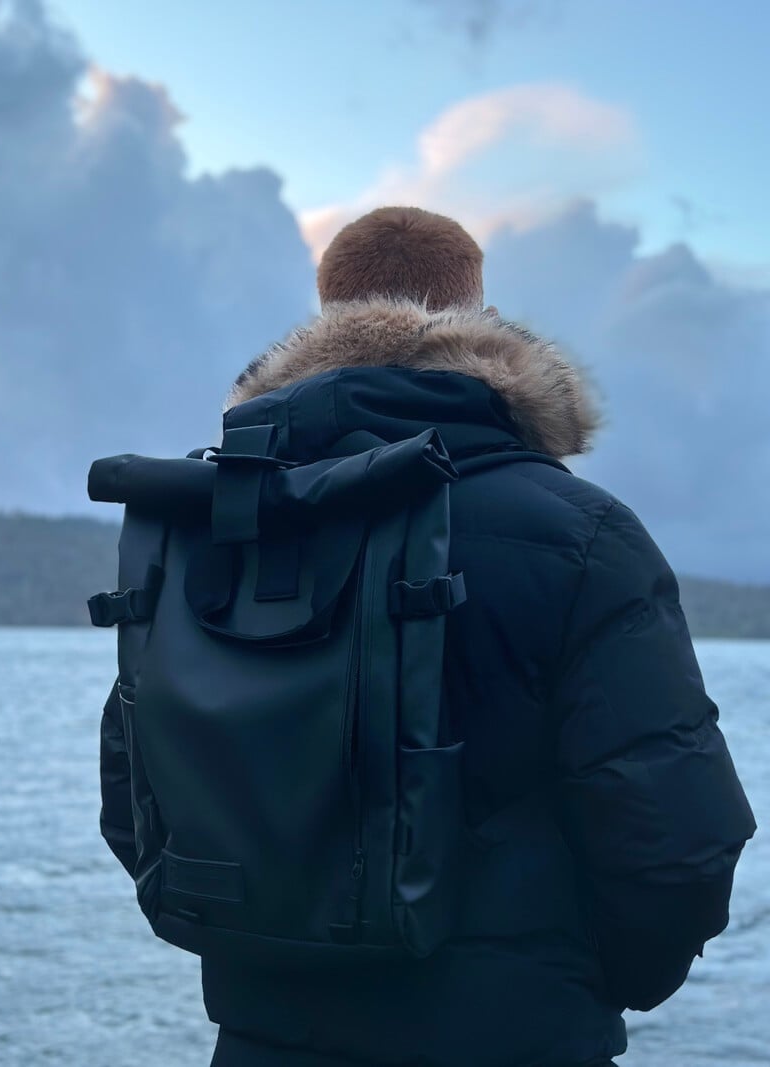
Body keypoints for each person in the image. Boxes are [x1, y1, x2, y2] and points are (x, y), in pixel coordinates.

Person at [100, 206, 756, 1066]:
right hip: (517, 1035)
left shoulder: (212, 525)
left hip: (263, 1037)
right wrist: (585, 981)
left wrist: (265, 948)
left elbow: (132, 800)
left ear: (325, 312)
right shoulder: (581, 532)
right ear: (477, 312)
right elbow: (678, 841)